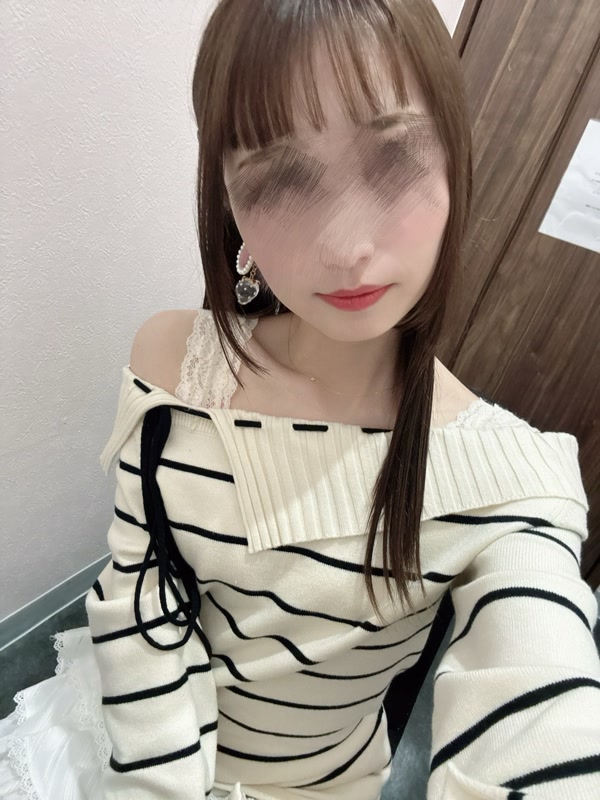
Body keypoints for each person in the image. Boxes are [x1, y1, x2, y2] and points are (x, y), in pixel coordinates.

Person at [1, 0, 599, 798]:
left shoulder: (512, 483)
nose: (347, 247)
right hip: (135, 742)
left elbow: (540, 707)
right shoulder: (176, 362)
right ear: (229, 203)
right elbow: (146, 601)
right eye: (281, 179)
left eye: (393, 160)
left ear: (455, 158)